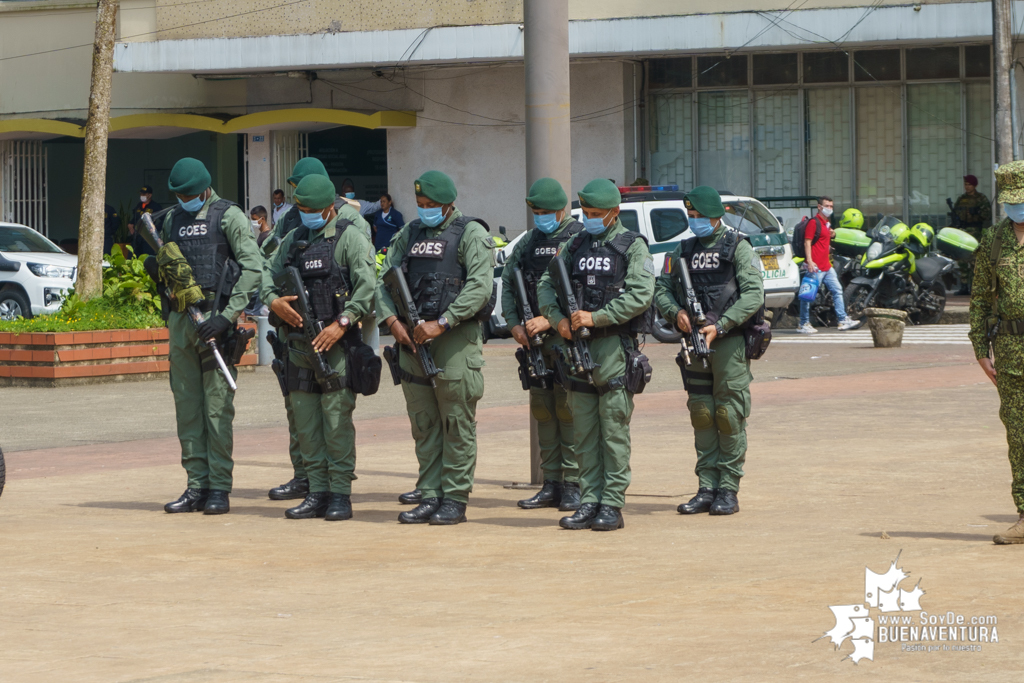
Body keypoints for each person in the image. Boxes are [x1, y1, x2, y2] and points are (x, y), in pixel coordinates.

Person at [377, 170, 495, 525]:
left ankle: (454, 498)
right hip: (412, 341)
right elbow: (384, 280)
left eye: (432, 205)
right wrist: (392, 322)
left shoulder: (471, 233)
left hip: (454, 340)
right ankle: (430, 493)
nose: (425, 210)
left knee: (456, 421)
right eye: (420, 205)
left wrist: (442, 322)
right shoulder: (409, 233)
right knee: (425, 423)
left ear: (449, 203)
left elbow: (480, 287)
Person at [537, 178, 655, 531]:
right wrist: (557, 321)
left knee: (612, 430)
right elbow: (546, 285)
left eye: (596, 213)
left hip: (612, 346)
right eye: (585, 212)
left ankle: (612, 504)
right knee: (584, 430)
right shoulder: (575, 244)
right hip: (576, 346)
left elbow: (640, 294)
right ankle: (589, 500)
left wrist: (596, 317)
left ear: (614, 213)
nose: (589, 218)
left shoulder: (632, 247)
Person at [263, 175, 377, 521]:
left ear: (330, 207)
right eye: (301, 209)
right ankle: (316, 491)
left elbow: (367, 285)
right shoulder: (294, 239)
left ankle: (340, 494)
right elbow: (266, 273)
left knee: (336, 421)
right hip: (299, 346)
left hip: (337, 346)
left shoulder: (349, 237)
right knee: (307, 424)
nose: (307, 214)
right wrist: (273, 301)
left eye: (313, 209)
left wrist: (342, 322)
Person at [156, 158, 263, 515]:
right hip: (181, 321)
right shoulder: (171, 218)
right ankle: (196, 484)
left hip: (216, 321)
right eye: (178, 195)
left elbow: (252, 268)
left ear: (204, 188)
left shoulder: (227, 216)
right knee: (187, 408)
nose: (183, 199)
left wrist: (227, 316)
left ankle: (219, 486)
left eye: (188, 194)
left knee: (217, 409)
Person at [653, 186, 763, 517]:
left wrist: (723, 325)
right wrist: (676, 314)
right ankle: (706, 487)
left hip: (726, 341)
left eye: (700, 216)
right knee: (702, 413)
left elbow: (754, 294)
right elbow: (661, 288)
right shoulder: (682, 250)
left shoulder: (738, 248)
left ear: (717, 216)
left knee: (728, 415)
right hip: (694, 342)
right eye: (692, 216)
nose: (695, 221)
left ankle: (728, 488)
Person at [501, 178, 581, 512]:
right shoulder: (530, 241)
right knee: (543, 410)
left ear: (561, 210)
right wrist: (514, 324)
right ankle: (552, 482)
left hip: (563, 337)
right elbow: (508, 281)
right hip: (533, 342)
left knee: (569, 409)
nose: (541, 218)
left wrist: (550, 319)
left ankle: (574, 484)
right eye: (536, 212)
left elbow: (579, 289)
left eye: (547, 212)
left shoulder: (577, 238)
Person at [969, 160, 1024, 545]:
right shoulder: (993, 240)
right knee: (1019, 435)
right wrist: (979, 348)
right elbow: (979, 300)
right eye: (1012, 202)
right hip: (1010, 351)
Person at [797, 197, 862, 333]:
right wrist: (809, 261)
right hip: (815, 266)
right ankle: (803, 323)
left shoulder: (826, 223)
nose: (830, 209)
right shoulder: (813, 223)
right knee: (808, 294)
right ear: (819, 207)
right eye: (827, 206)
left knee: (837, 290)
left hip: (826, 266)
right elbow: (807, 242)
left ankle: (842, 319)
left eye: (831, 206)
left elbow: (823, 241)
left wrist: (832, 234)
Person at [954, 174, 993, 294]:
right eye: (965, 184)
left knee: (974, 260)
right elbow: (955, 213)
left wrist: (975, 214)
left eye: (969, 184)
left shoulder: (981, 198)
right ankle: (964, 286)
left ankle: (975, 286)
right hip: (962, 231)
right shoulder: (961, 199)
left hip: (975, 231)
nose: (967, 187)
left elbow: (987, 215)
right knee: (962, 260)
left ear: (975, 185)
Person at [128, 185, 162, 258]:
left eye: (144, 194)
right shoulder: (139, 205)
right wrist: (131, 224)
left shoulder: (155, 206)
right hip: (137, 236)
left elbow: (163, 219)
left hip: (148, 237)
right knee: (132, 256)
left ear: (149, 195)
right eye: (141, 194)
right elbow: (135, 217)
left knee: (147, 257)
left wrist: (155, 228)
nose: (141, 196)